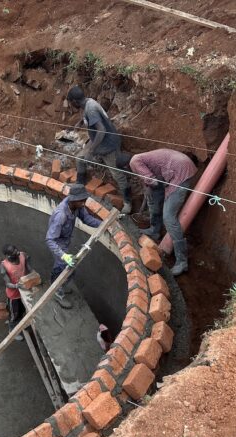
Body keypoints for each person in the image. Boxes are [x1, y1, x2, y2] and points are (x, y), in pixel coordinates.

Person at [128, 149, 200, 276]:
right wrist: (148, 187)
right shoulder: (142, 158)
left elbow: (153, 181)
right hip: (175, 168)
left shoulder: (135, 161)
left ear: (125, 166)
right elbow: (152, 181)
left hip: (181, 172)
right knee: (155, 198)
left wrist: (148, 185)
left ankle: (182, 261)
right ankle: (155, 231)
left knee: (169, 217)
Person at [67, 85, 132, 214]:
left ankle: (128, 202)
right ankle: (80, 185)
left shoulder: (90, 109)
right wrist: (81, 121)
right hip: (98, 141)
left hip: (108, 145)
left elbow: (101, 130)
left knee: (117, 175)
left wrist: (91, 151)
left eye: (70, 102)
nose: (70, 105)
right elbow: (91, 118)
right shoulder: (88, 102)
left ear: (74, 101)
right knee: (80, 159)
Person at [45, 184, 102, 309]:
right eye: (82, 201)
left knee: (65, 269)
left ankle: (60, 286)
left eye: (84, 200)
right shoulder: (61, 215)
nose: (84, 204)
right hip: (58, 244)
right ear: (73, 200)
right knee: (67, 269)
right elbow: (50, 240)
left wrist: (103, 224)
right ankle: (57, 292)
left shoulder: (77, 206)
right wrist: (64, 255)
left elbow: (87, 219)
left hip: (65, 241)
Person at [0, 244, 33, 341]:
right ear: (8, 255)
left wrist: (34, 275)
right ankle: (12, 330)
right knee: (14, 314)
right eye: (13, 251)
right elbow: (7, 284)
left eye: (16, 249)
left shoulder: (22, 255)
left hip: (24, 292)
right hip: (13, 295)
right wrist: (17, 286)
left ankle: (21, 324)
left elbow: (29, 268)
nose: (17, 251)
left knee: (23, 310)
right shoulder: (4, 266)